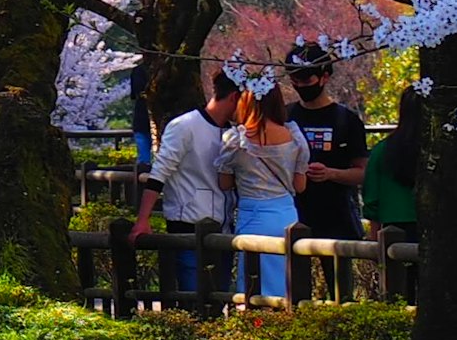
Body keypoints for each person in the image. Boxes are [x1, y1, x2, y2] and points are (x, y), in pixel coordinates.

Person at [131, 68, 239, 301]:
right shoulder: (185, 126)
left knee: (218, 298)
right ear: (234, 98)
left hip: (223, 226)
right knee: (193, 299)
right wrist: (143, 219)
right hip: (188, 223)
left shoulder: (233, 133)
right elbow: (160, 172)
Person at [223, 77, 312, 302]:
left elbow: (223, 183)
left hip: (252, 216)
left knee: (253, 282)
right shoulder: (293, 136)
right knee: (287, 281)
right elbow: (299, 186)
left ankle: (256, 327)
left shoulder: (236, 140)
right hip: (286, 215)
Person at [281, 41, 370, 255]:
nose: (301, 86)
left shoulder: (346, 120)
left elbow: (363, 172)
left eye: (306, 79)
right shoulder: (285, 116)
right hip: (292, 214)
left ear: (325, 77)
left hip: (336, 217)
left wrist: (330, 173)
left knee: (340, 285)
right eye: (295, 80)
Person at [363, 87, 425, 244]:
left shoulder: (382, 150)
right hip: (431, 225)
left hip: (392, 227)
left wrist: (373, 234)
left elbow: (371, 196)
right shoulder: (437, 150)